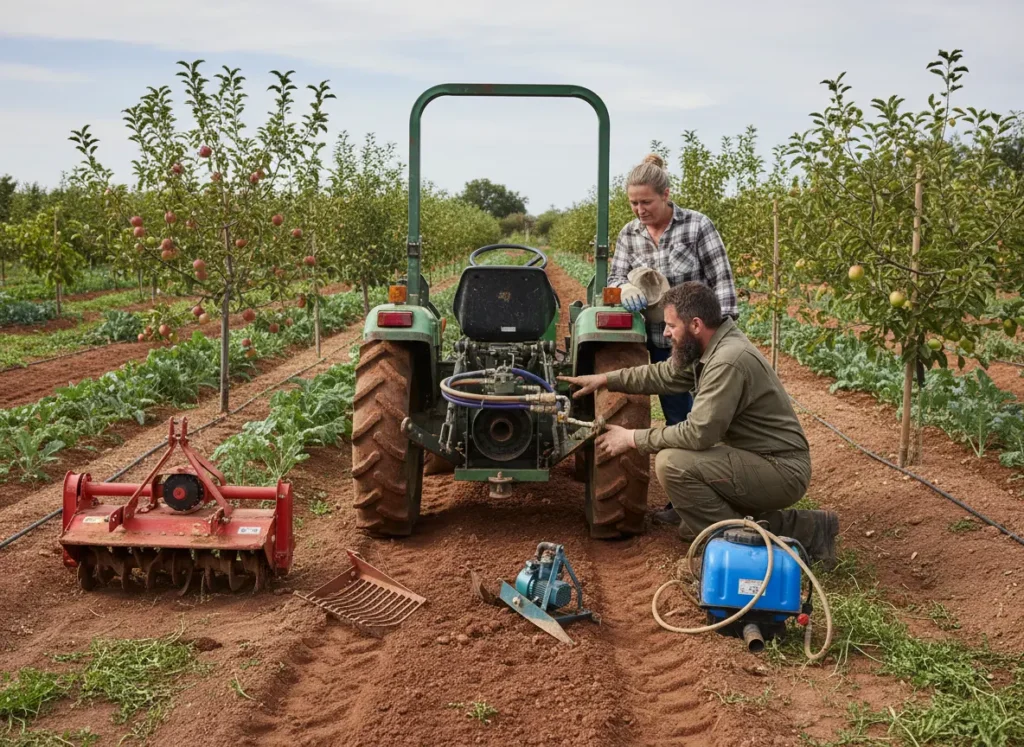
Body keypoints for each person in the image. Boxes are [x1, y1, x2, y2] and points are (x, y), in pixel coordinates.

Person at [560, 282, 839, 567]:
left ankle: (733, 549)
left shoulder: (727, 361)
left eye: (671, 325)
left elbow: (698, 434)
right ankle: (809, 528)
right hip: (758, 457)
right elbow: (664, 375)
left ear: (695, 324)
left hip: (781, 469)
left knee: (672, 464)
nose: (665, 332)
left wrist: (631, 438)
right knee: (693, 516)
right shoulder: (710, 348)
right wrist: (606, 379)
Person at [610, 153, 739, 522]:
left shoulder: (697, 226)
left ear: (666, 195)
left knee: (699, 417)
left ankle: (706, 496)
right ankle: (682, 498)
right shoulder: (629, 234)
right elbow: (614, 278)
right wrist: (622, 290)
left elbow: (723, 284)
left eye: (646, 202)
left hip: (692, 343)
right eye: (633, 203)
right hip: (647, 338)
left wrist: (719, 342)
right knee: (672, 414)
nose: (640, 210)